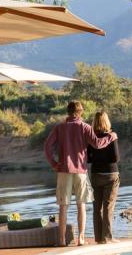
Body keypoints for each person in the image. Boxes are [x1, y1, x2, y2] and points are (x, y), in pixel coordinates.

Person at [44, 101, 117, 246]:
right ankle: (81, 239)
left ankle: (62, 240)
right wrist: (111, 137)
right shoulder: (85, 127)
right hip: (80, 172)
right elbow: (97, 144)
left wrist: (54, 164)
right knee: (81, 205)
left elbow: (47, 146)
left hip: (63, 170)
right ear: (80, 112)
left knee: (63, 207)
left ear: (68, 111)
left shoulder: (59, 128)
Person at [87, 111, 120, 243]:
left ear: (94, 122)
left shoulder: (91, 138)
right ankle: (108, 237)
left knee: (97, 208)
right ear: (107, 121)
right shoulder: (112, 136)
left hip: (96, 174)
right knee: (108, 207)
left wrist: (97, 158)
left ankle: (99, 238)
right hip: (111, 175)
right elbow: (116, 158)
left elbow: (88, 159)